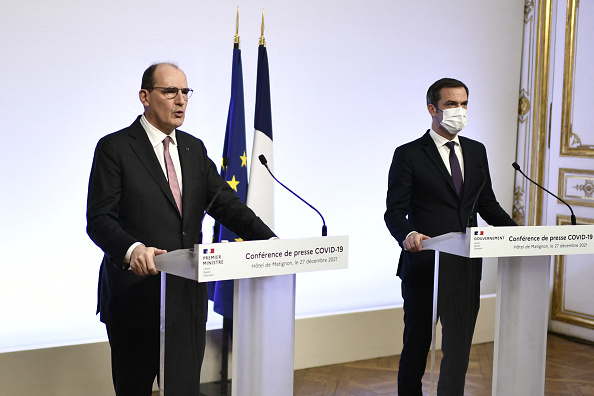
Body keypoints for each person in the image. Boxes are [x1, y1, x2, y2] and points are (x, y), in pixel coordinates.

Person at [86, 62, 275, 395]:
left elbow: (227, 206)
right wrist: (133, 251)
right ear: (145, 96)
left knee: (185, 389)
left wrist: (273, 242)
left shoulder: (193, 148)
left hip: (186, 300)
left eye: (185, 92)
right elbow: (99, 219)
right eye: (170, 91)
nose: (181, 100)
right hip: (135, 298)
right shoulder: (114, 148)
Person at [384, 78, 516, 395]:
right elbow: (393, 212)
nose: (460, 110)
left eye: (464, 104)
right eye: (451, 104)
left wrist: (519, 235)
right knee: (417, 344)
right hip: (424, 264)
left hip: (466, 265)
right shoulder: (409, 154)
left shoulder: (476, 151)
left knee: (458, 348)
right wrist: (409, 234)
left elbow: (487, 204)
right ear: (433, 109)